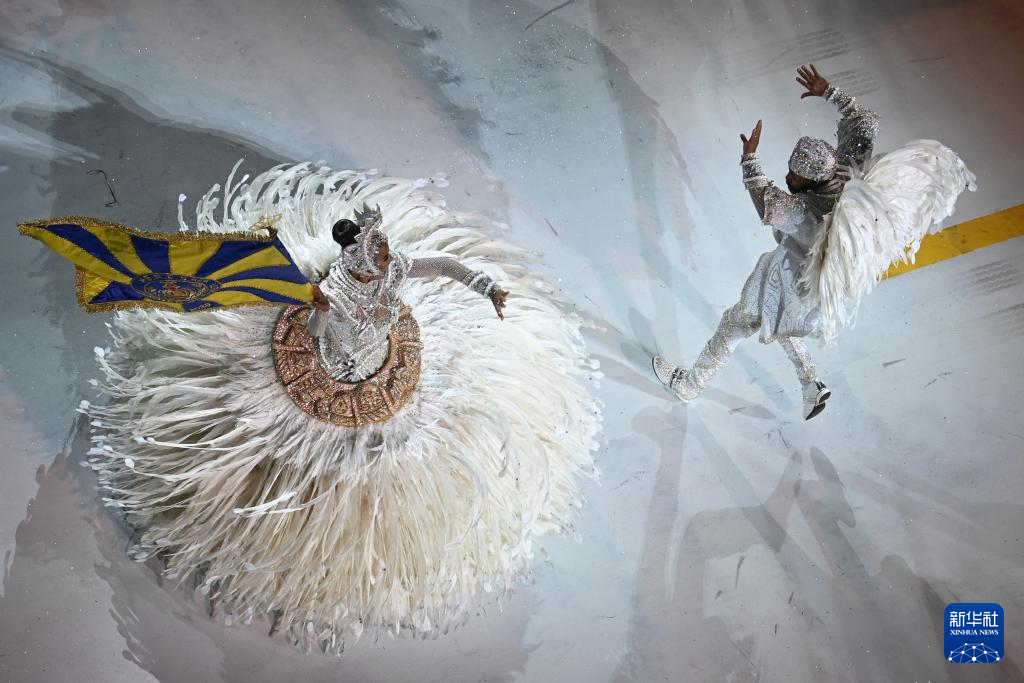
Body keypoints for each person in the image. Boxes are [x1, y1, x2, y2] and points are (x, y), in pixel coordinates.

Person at [82, 162, 601, 654]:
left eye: (385, 249)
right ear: (356, 256)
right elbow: (314, 330)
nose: (386, 256)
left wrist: (485, 287)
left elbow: (441, 266)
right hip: (320, 375)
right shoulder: (335, 288)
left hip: (391, 367)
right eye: (377, 251)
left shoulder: (395, 268)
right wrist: (319, 312)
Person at [654, 64, 974, 419]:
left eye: (794, 177)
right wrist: (830, 92)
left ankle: (689, 384)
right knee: (783, 324)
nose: (788, 178)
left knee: (736, 323)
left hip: (785, 277)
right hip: (814, 288)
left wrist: (749, 160)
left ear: (811, 182)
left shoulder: (807, 211)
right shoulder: (845, 173)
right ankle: (811, 386)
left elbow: (767, 202)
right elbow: (865, 123)